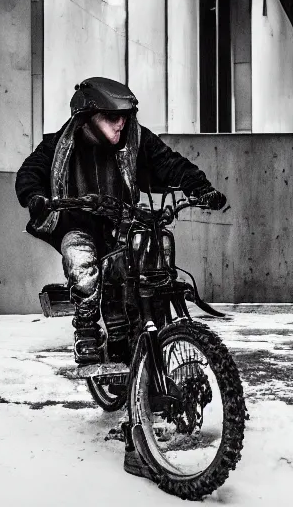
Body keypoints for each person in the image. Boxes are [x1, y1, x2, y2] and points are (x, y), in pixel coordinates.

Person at [15, 77, 227, 365]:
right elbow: (31, 171)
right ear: (88, 118)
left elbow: (169, 162)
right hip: (77, 224)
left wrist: (199, 187)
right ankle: (87, 328)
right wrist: (35, 197)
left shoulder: (135, 139)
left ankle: (144, 328)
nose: (121, 124)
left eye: (125, 117)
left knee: (148, 260)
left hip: (122, 222)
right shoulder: (58, 146)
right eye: (113, 117)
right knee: (81, 261)